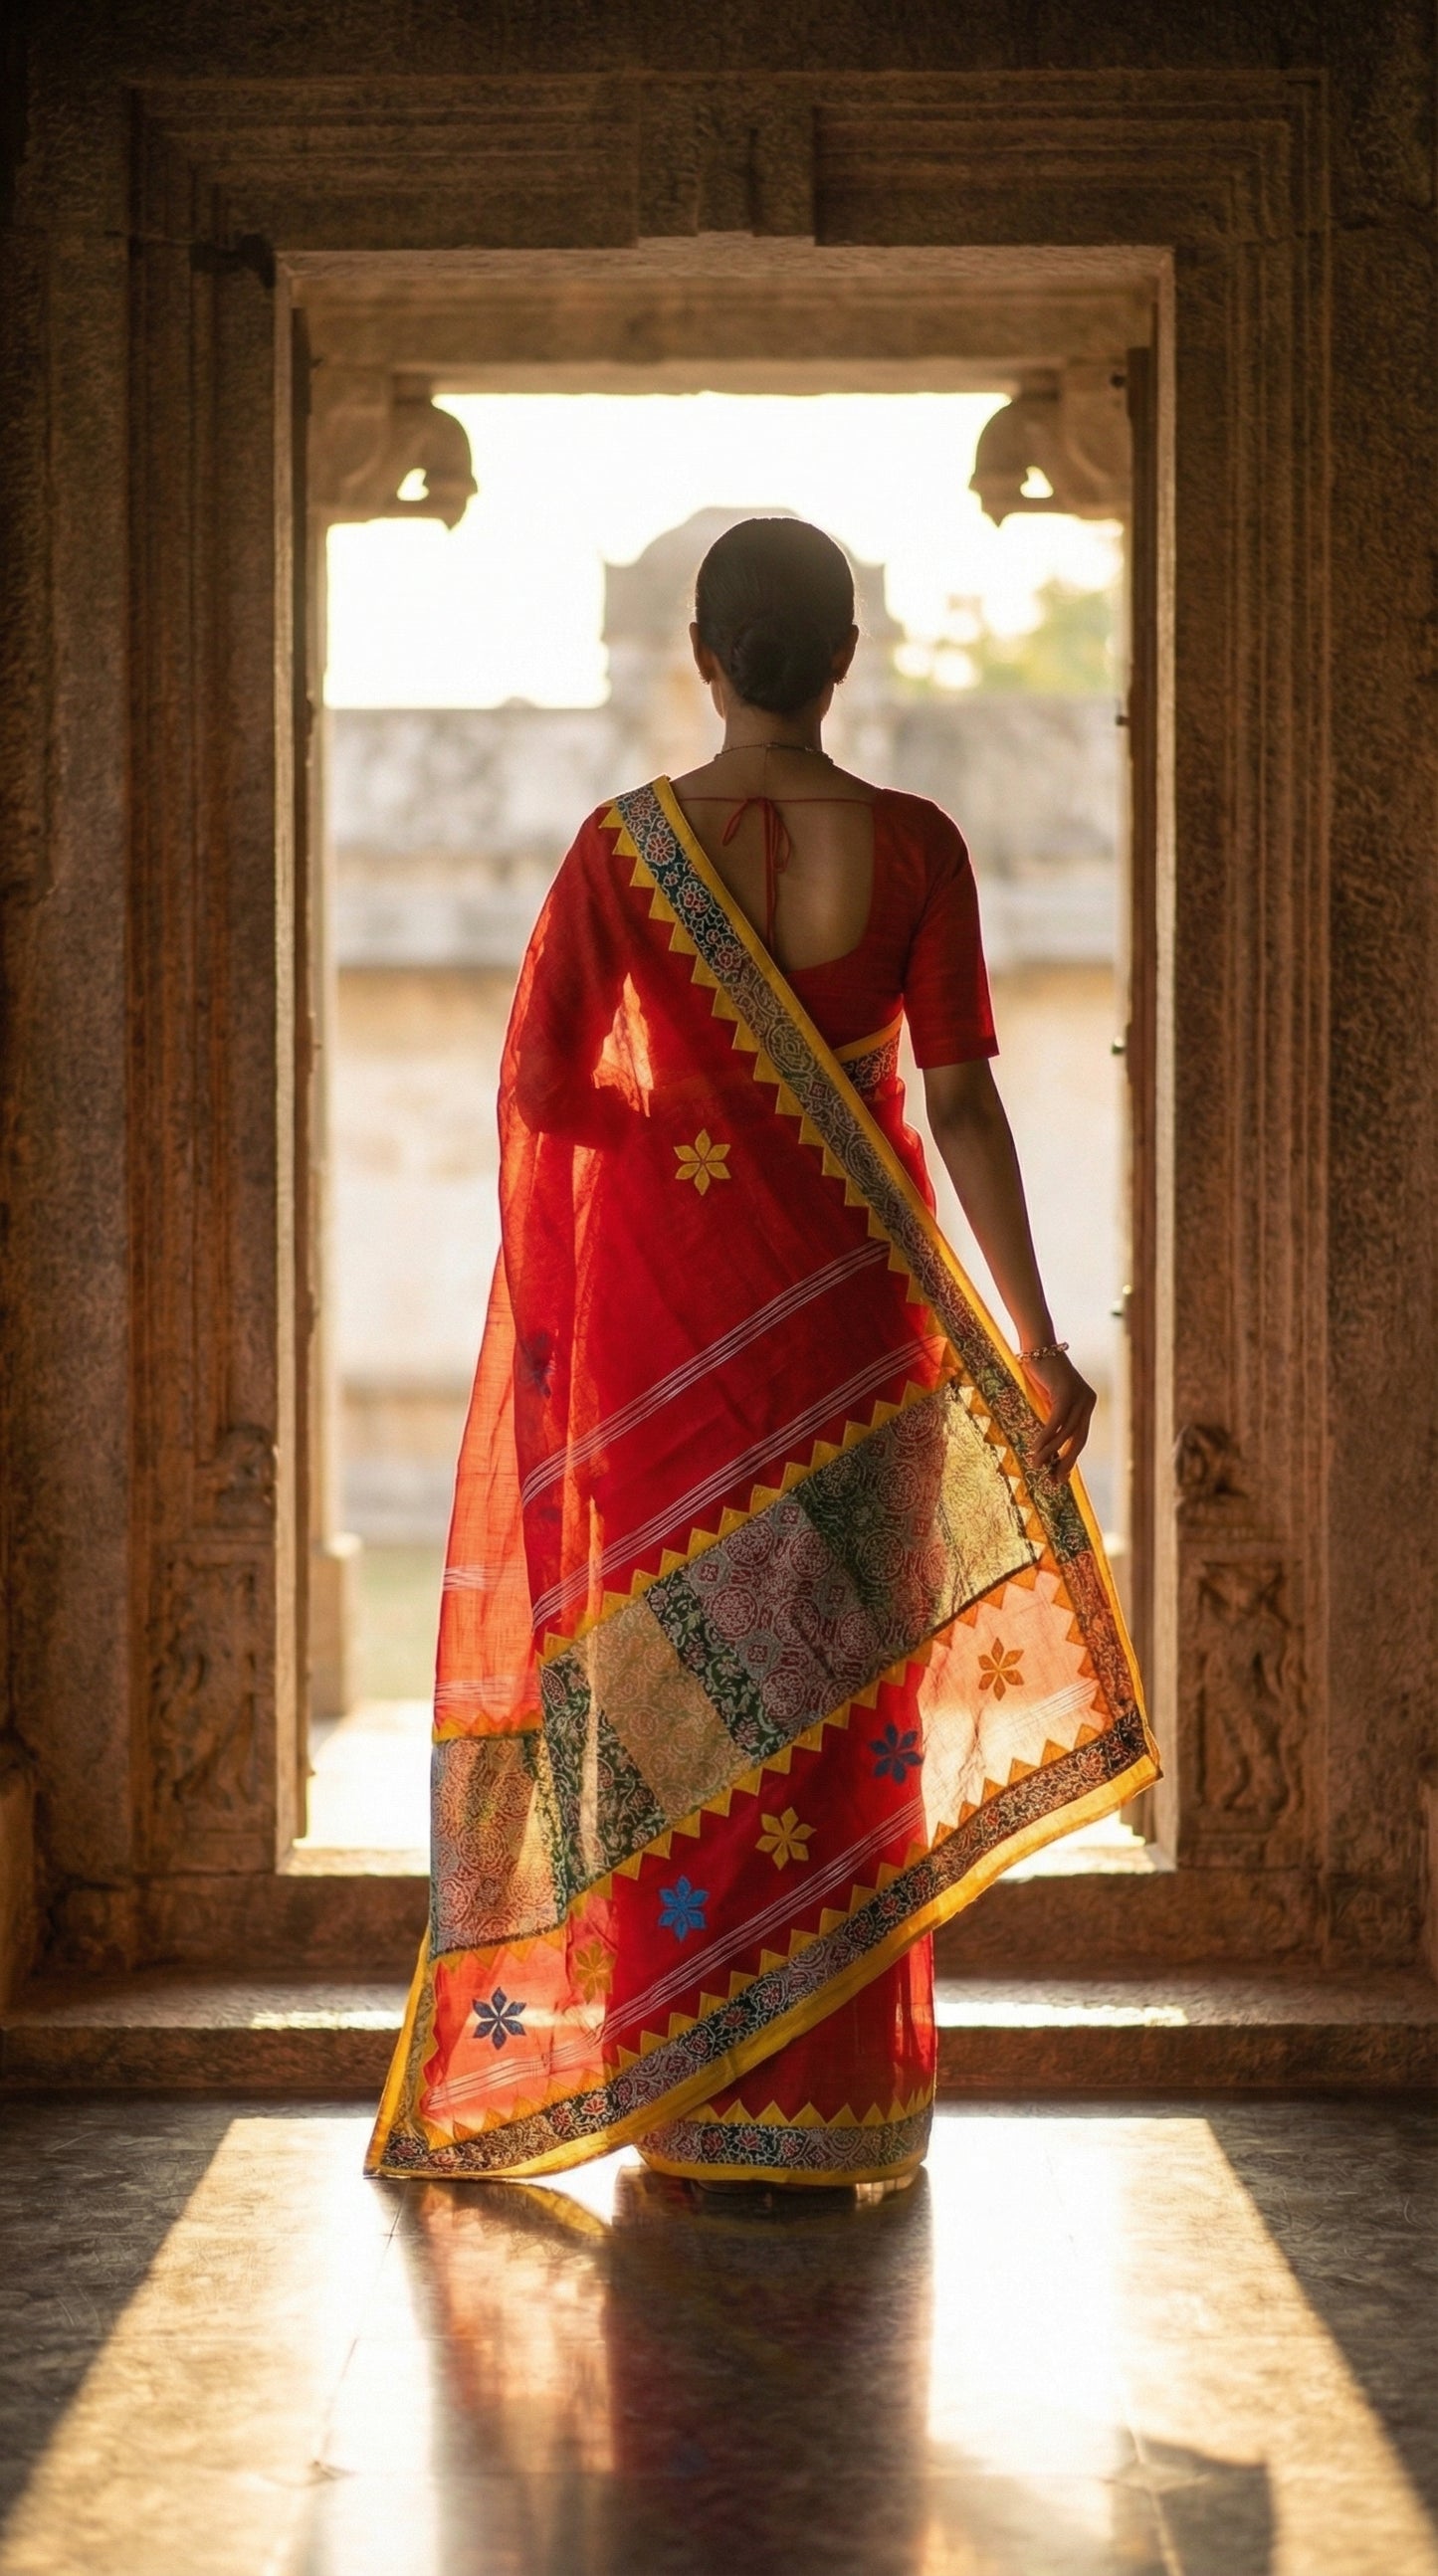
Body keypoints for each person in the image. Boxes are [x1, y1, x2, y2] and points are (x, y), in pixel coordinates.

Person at [368, 518, 1155, 2189]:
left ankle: (683, 2086)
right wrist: (1036, 1340)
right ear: (846, 655)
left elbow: (540, 1093)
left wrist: (677, 1132)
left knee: (673, 1687)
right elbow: (956, 1106)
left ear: (703, 657)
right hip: (859, 1330)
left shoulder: (617, 852)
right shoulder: (917, 846)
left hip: (675, 1321)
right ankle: (834, 2102)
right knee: (842, 1686)